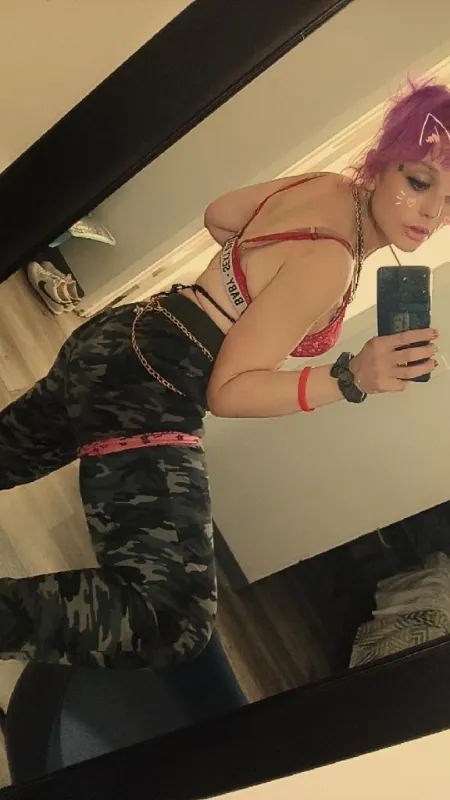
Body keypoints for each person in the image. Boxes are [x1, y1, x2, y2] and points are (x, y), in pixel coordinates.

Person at [0, 78, 449, 669]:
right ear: (384, 163)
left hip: (126, 334)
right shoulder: (332, 263)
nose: (433, 212)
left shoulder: (330, 187)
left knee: (7, 451)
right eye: (420, 182)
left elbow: (222, 215)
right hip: (153, 385)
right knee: (172, 615)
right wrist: (350, 379)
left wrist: (246, 285)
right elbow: (229, 391)